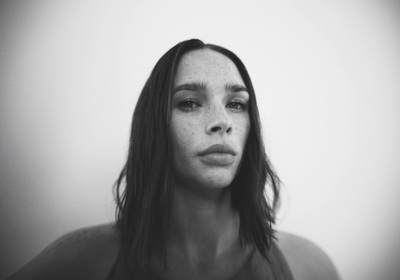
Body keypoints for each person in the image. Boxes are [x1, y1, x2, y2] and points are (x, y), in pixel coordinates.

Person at [7, 39, 340, 280]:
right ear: (155, 127)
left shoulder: (307, 266)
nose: (221, 120)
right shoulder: (82, 260)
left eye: (236, 104)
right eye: (190, 103)